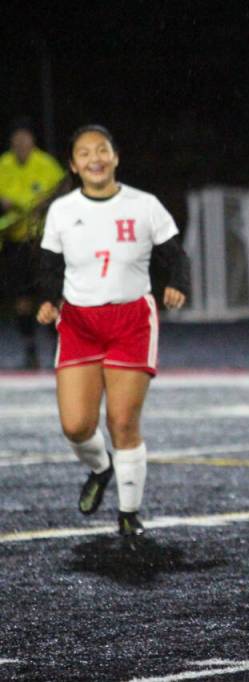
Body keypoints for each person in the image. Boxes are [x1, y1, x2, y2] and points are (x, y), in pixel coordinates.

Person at [35, 125, 190, 537]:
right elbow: (50, 264)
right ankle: (100, 469)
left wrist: (177, 284)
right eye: (84, 153)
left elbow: (174, 253)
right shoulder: (63, 211)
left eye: (102, 150)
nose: (95, 158)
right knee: (76, 426)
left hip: (131, 321)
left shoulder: (144, 205)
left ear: (115, 157)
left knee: (122, 421)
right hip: (80, 324)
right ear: (73, 164)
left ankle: (128, 514)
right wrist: (48, 300)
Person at [0, 118, 66, 368]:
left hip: (42, 242)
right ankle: (30, 350)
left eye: (25, 140)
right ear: (11, 143)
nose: (21, 145)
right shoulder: (4, 164)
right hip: (15, 243)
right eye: (16, 141)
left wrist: (45, 205)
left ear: (32, 142)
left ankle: (57, 349)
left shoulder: (46, 164)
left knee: (49, 296)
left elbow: (64, 191)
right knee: (21, 299)